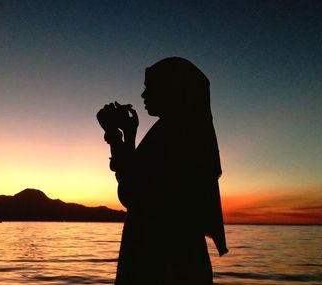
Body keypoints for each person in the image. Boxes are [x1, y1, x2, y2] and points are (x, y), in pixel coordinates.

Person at [97, 57, 228, 284]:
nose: (143, 96)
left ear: (172, 90)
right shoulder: (184, 131)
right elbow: (139, 180)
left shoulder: (173, 134)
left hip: (158, 261)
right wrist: (128, 135)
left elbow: (132, 194)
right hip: (182, 259)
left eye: (150, 88)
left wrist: (116, 138)